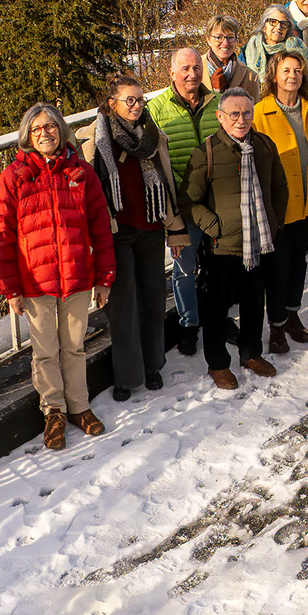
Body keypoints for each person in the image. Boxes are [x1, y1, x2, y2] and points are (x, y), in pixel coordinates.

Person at [0, 103, 115, 449]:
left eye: (51, 127)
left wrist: (104, 277)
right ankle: (53, 412)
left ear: (61, 131)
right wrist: (10, 288)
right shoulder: (13, 177)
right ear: (27, 136)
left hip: (76, 278)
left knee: (74, 347)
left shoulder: (80, 173)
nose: (45, 133)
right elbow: (2, 238)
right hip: (35, 283)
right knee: (45, 352)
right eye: (37, 129)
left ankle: (79, 407)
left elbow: (100, 228)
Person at [78, 76, 190, 401]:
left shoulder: (153, 137)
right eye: (130, 100)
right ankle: (127, 376)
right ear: (112, 103)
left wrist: (176, 229)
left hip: (152, 228)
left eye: (141, 100)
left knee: (154, 301)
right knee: (122, 307)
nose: (138, 105)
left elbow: (166, 184)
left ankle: (154, 365)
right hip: (117, 233)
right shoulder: (92, 139)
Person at [179, 88, 288, 389]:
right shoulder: (207, 152)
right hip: (222, 248)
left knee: (255, 302)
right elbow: (188, 200)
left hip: (261, 241)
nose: (242, 120)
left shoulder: (264, 145)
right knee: (215, 309)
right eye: (234, 114)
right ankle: (218, 364)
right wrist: (215, 226)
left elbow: (280, 186)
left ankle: (251, 353)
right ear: (220, 117)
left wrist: (275, 221)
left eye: (247, 113)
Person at [253, 51, 308, 354]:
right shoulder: (259, 112)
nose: (293, 76)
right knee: (277, 266)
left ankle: (292, 315)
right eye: (286, 70)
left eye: (298, 71)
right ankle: (275, 326)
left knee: (298, 262)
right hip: (277, 207)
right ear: (274, 75)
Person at [149, 47, 221, 354]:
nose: (192, 74)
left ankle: (217, 316)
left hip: (216, 203)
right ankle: (189, 324)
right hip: (180, 206)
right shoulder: (156, 109)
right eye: (185, 68)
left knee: (219, 267)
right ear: (172, 72)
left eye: (196, 67)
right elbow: (153, 162)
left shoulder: (217, 102)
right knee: (183, 269)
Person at [242, 4, 308, 83]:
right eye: (273, 22)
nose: (278, 27)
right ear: (264, 26)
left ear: (288, 28)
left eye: (283, 24)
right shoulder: (249, 49)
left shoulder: (298, 48)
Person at [201, 14, 259, 99]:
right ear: (208, 40)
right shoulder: (194, 68)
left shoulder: (250, 77)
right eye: (219, 37)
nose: (225, 43)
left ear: (236, 40)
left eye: (230, 37)